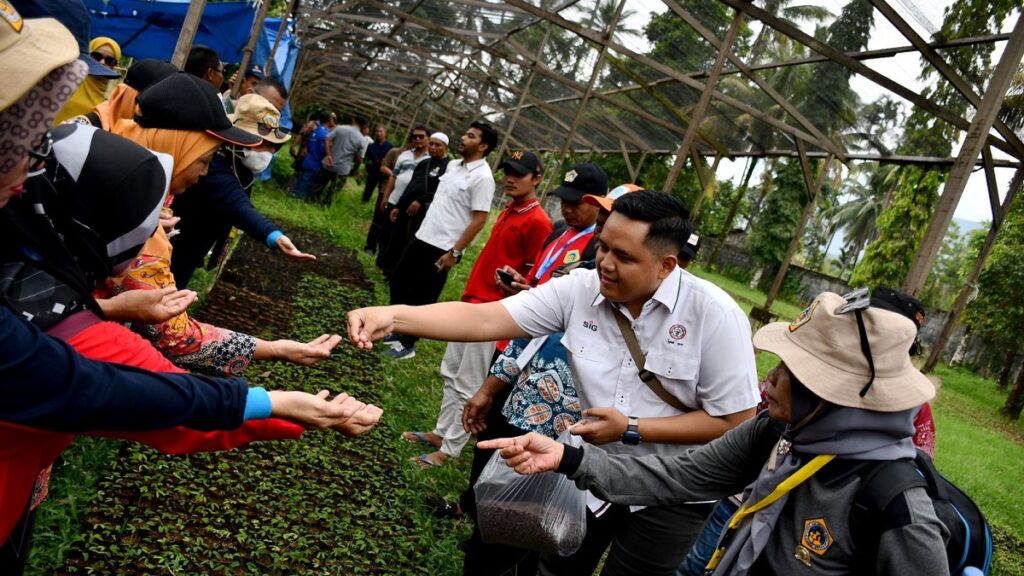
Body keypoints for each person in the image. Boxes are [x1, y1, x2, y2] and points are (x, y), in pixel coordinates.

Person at [0, 9, 382, 568]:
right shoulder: (70, 306)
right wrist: (284, 405)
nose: (21, 171)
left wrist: (107, 307)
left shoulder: (54, 202)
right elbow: (128, 389)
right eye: (19, 145)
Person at [350, 190, 760, 575]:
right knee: (559, 563)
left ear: (667, 265)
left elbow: (734, 422)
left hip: (674, 485)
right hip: (592, 469)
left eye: (624, 256)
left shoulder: (715, 316)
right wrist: (397, 316)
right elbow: (486, 318)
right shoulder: (580, 289)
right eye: (602, 246)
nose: (605, 263)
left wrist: (633, 428)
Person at [479, 290, 947, 576]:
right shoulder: (779, 432)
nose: (770, 380)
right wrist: (569, 459)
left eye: (790, 370)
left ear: (831, 393)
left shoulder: (895, 504)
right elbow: (680, 476)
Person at [106, 73, 339, 376]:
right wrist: (274, 351)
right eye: (203, 160)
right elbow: (177, 335)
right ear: (179, 146)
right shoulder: (140, 215)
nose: (203, 173)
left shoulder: (137, 186)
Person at [402, 150, 553, 468]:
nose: (510, 178)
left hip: (492, 313)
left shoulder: (538, 221)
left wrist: (513, 286)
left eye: (520, 174)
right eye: (508, 171)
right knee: (451, 373)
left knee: (468, 383)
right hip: (473, 303)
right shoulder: (511, 210)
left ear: (536, 179)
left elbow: (531, 276)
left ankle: (450, 450)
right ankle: (440, 432)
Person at [169, 93, 315, 289]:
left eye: (273, 145)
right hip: (177, 244)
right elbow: (237, 204)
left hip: (195, 242)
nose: (269, 151)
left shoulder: (238, 161)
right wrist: (273, 235)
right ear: (241, 137)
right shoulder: (214, 162)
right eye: (263, 142)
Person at [382, 121, 498, 360]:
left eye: (471, 136)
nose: (463, 138)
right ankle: (396, 330)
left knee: (423, 296)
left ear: (483, 146)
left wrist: (454, 253)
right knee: (399, 281)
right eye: (466, 133)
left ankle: (408, 344)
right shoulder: (454, 165)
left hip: (442, 246)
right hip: (423, 235)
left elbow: (479, 220)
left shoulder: (483, 178)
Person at [498, 163, 609, 292]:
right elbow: (533, 278)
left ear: (598, 202)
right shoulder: (557, 233)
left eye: (575, 203)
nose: (566, 209)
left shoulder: (599, 248)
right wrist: (521, 283)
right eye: (564, 201)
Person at [378, 132, 450, 273]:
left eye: (438, 145)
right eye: (431, 144)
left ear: (445, 147)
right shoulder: (424, 162)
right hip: (406, 207)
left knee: (411, 242)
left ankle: (401, 271)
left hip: (425, 212)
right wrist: (399, 206)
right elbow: (411, 185)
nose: (433, 147)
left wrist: (420, 201)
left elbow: (441, 191)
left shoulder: (448, 166)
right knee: (397, 238)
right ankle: (388, 269)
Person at [375, 125, 430, 275]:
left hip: (410, 205)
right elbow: (393, 177)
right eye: (415, 136)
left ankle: (392, 269)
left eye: (421, 136)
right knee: (385, 232)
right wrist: (386, 196)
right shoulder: (404, 155)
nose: (417, 139)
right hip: (394, 199)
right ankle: (380, 263)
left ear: (428, 139)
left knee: (401, 238)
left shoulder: (430, 160)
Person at [365, 133, 410, 256]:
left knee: (392, 224)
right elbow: (383, 167)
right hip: (386, 190)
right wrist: (395, 176)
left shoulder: (420, 159)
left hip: (402, 196)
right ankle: (370, 246)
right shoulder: (395, 152)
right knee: (378, 218)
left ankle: (384, 249)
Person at [310, 114, 367, 206]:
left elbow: (327, 139)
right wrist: (354, 169)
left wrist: (328, 155)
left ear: (353, 120)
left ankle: (310, 203)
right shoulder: (362, 140)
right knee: (333, 193)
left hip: (328, 164)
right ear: (364, 126)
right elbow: (359, 159)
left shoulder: (340, 128)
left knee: (318, 187)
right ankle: (324, 208)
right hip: (343, 170)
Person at [292, 111, 334, 200]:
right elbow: (323, 150)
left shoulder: (316, 130)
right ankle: (297, 200)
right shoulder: (325, 134)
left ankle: (294, 195)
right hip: (315, 163)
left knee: (302, 180)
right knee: (306, 184)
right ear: (329, 120)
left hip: (308, 160)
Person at [362, 124, 393, 202]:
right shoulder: (371, 146)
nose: (378, 133)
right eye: (377, 131)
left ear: (385, 133)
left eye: (381, 131)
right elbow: (368, 160)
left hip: (384, 174)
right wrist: (365, 171)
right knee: (367, 191)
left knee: (382, 193)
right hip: (373, 172)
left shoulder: (390, 147)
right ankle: (364, 203)